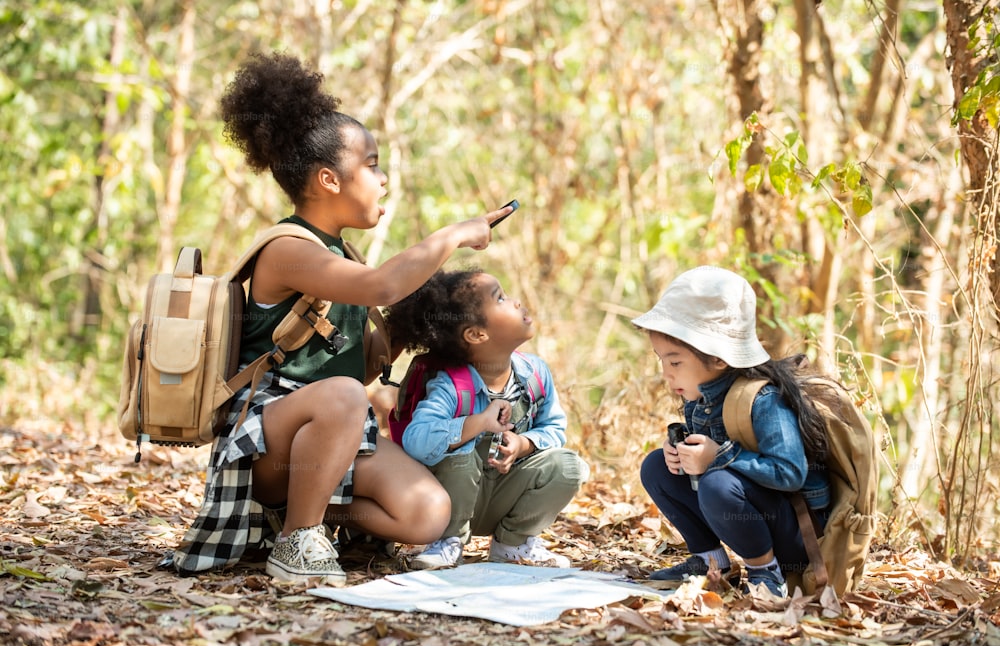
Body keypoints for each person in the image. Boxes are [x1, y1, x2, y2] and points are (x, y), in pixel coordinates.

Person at [171, 52, 514, 587]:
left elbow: (365, 362)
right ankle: (296, 544)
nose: (382, 178)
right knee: (343, 396)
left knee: (427, 514)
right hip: (265, 444)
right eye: (372, 164)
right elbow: (382, 287)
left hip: (332, 436)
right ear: (329, 180)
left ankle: (309, 517)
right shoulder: (287, 249)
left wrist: (418, 322)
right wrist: (452, 235)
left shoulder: (344, 256)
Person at [632, 266, 832, 597]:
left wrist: (718, 457)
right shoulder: (703, 397)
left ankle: (766, 574)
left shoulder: (763, 399)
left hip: (796, 535)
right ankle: (710, 562)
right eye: (661, 360)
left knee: (717, 483)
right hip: (749, 516)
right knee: (656, 466)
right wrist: (685, 454)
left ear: (718, 358)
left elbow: (791, 472)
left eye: (676, 362)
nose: (666, 373)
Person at [384, 269, 589, 570]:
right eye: (501, 299)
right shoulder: (450, 385)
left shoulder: (534, 374)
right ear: (477, 334)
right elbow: (416, 440)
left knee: (569, 466)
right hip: (451, 500)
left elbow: (554, 428)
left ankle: (512, 543)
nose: (517, 302)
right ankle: (448, 541)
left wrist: (523, 443)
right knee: (461, 453)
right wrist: (477, 423)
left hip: (504, 493)